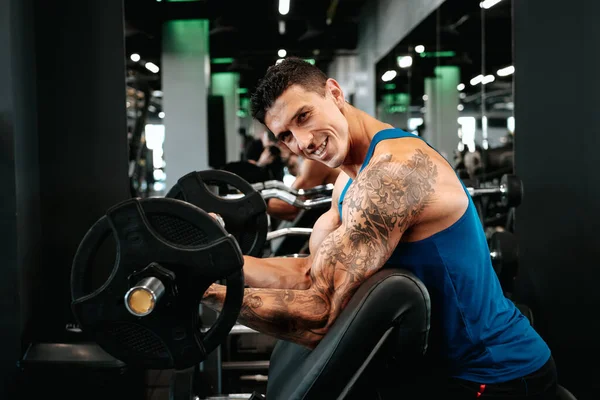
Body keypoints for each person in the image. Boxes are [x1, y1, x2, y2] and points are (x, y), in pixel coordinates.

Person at [202, 58, 556, 398]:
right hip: (437, 366)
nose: (303, 142)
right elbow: (311, 273)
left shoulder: (393, 172)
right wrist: (208, 260)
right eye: (286, 136)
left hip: (495, 376)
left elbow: (321, 316)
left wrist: (203, 293)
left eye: (304, 116)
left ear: (335, 93)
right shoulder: (348, 180)